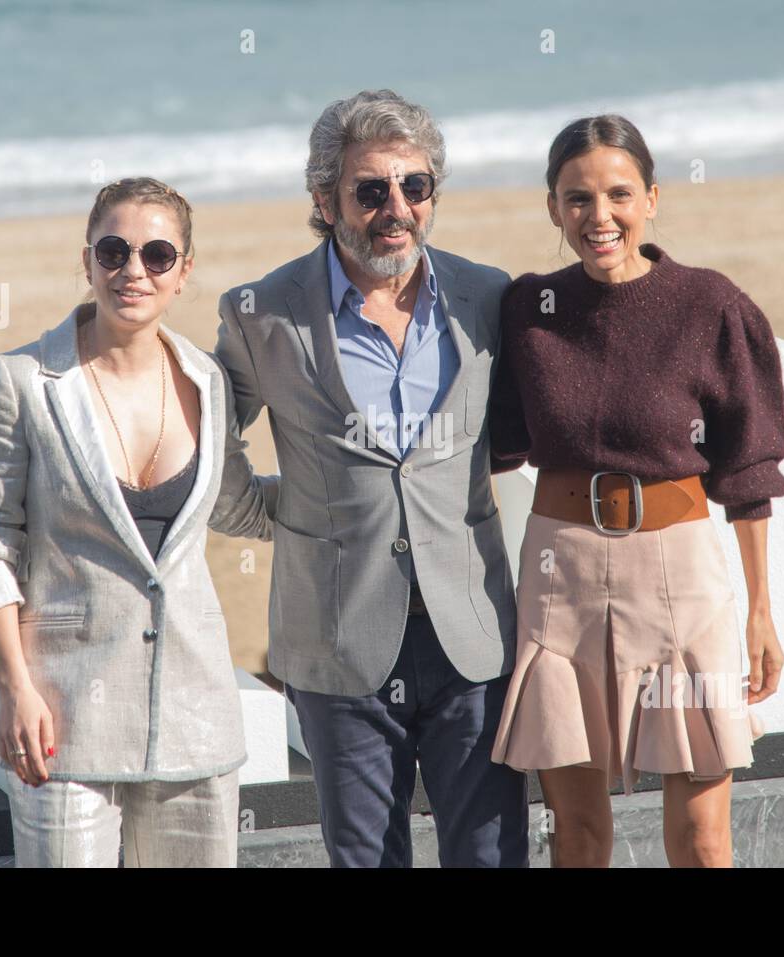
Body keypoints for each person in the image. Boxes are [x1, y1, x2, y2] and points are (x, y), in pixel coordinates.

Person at [214, 89, 529, 867]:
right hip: (336, 634)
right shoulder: (262, 314)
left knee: (491, 853)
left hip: (473, 634)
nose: (397, 207)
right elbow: (209, 442)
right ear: (325, 201)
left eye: (415, 186)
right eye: (370, 190)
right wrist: (289, 515)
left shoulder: (487, 297)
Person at [488, 115, 784, 868]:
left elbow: (748, 470)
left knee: (701, 837)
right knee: (579, 837)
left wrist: (759, 608)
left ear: (652, 198)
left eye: (619, 194)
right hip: (561, 577)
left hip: (682, 574)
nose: (600, 218)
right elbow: (487, 442)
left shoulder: (709, 303)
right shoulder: (529, 311)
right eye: (577, 199)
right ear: (553, 209)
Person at [0, 176, 277, 867]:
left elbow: (239, 506)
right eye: (114, 250)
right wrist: (15, 687)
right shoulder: (19, 381)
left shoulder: (208, 383)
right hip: (63, 718)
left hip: (198, 720)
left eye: (157, 254)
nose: (134, 270)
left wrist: (363, 501)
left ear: (184, 271)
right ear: (88, 260)